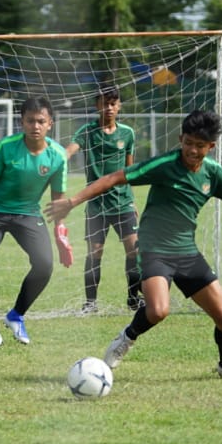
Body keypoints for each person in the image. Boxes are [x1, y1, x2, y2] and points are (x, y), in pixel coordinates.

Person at [45, 109, 222, 382]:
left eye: (200, 146)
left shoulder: (213, 173)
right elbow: (114, 178)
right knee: (158, 310)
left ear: (211, 147)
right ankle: (126, 338)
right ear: (181, 138)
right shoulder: (165, 164)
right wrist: (72, 202)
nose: (192, 150)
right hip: (154, 250)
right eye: (188, 143)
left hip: (187, 253)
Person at [0, 95, 72, 347]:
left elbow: (58, 198)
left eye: (41, 121)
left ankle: (16, 315)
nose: (36, 126)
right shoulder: (7, 146)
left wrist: (60, 232)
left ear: (50, 123)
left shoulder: (58, 156)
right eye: (30, 121)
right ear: (21, 122)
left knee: (44, 264)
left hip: (28, 213)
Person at [64, 87, 141, 313]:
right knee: (95, 252)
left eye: (112, 103)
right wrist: (59, 156)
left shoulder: (127, 133)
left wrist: (132, 200)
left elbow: (129, 169)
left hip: (122, 203)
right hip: (96, 205)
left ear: (118, 107)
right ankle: (90, 303)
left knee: (134, 251)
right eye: (104, 103)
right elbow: (70, 150)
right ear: (97, 105)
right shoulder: (87, 132)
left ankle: (133, 298)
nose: (108, 108)